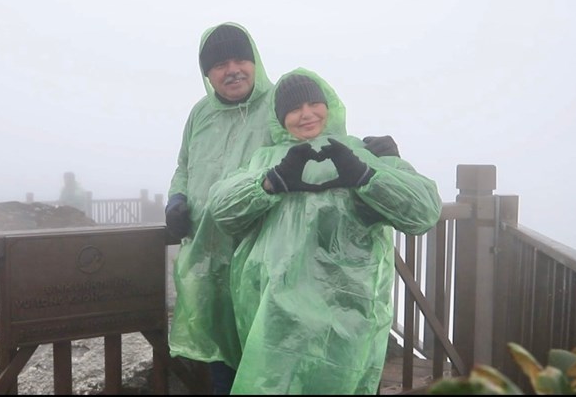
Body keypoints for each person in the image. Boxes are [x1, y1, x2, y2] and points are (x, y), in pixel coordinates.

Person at [207, 68, 443, 394]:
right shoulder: (265, 161)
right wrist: (270, 183)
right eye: (293, 108)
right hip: (278, 317)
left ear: (329, 105)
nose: (306, 114)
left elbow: (423, 210)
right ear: (279, 118)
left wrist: (369, 176)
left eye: (313, 103)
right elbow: (222, 211)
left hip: (347, 317)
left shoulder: (360, 154)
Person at [164, 22, 275, 394]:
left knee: (263, 357)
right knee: (220, 358)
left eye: (241, 59)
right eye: (220, 64)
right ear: (207, 74)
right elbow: (184, 165)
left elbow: (318, 140)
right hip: (209, 260)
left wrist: (369, 156)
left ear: (255, 61)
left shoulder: (278, 106)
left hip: (262, 257)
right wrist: (176, 199)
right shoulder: (201, 114)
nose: (233, 70)